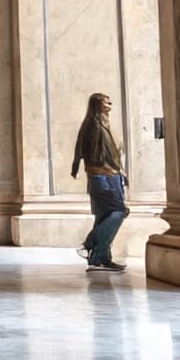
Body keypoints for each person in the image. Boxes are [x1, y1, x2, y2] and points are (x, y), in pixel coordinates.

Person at [71, 92, 129, 273]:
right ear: (97, 105)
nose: (110, 103)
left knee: (104, 217)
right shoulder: (92, 125)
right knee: (120, 211)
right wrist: (75, 167)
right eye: (106, 102)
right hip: (102, 177)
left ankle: (100, 259)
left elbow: (114, 153)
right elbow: (80, 147)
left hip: (111, 175)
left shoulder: (105, 123)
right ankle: (89, 243)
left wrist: (121, 172)